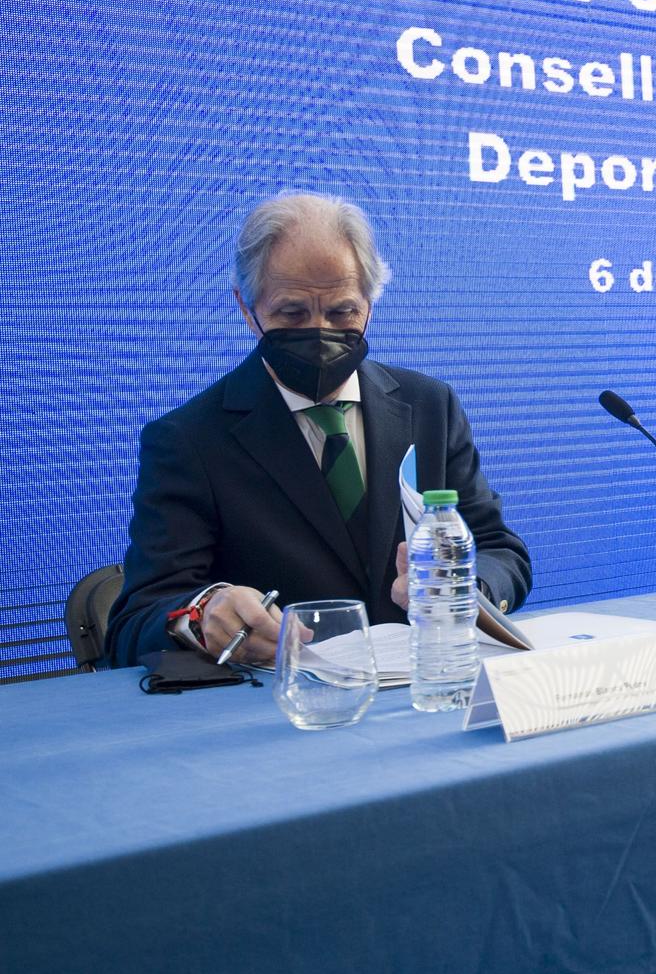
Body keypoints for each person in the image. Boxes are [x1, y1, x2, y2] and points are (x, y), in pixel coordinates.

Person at [104, 192, 531, 668]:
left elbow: (498, 550)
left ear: (370, 302)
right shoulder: (188, 439)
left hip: (429, 692)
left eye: (342, 311)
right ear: (247, 308)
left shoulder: (430, 405)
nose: (320, 330)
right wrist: (203, 612)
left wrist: (466, 590)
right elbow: (136, 618)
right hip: (291, 708)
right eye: (292, 313)